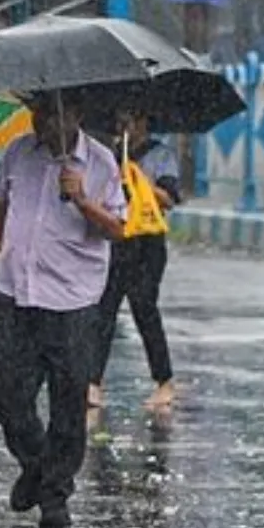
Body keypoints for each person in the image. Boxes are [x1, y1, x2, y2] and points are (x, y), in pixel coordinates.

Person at [0, 90, 126, 528]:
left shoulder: (102, 163)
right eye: (35, 114)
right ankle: (35, 465)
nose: (41, 124)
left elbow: (117, 229)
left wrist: (83, 199)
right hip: (16, 292)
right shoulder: (18, 152)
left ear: (74, 113)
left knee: (68, 402)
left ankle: (56, 494)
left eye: (50, 115)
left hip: (73, 299)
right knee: (8, 392)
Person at [90, 108, 180, 413]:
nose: (124, 126)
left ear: (144, 122)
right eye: (120, 121)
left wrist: (139, 178)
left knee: (144, 308)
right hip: (116, 239)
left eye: (130, 120)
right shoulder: (106, 154)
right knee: (105, 311)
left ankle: (164, 380)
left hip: (147, 242)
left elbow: (169, 199)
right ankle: (93, 382)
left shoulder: (160, 155)